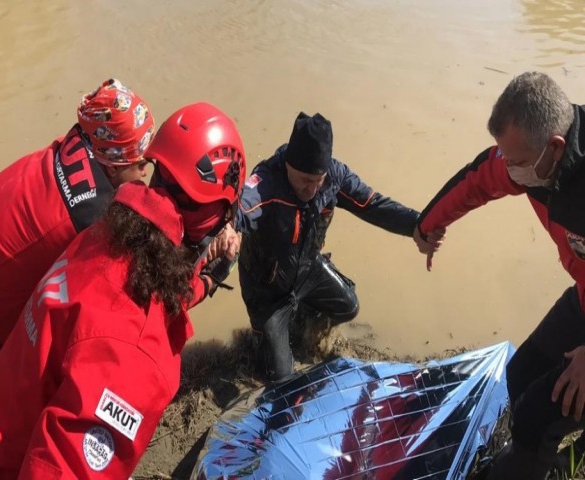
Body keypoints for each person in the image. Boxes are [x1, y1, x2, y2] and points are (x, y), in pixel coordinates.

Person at [0, 102, 246, 478]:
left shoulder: (101, 235)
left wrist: (205, 278)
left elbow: (144, 286)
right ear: (214, 215)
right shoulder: (136, 351)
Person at [415, 71, 585, 479]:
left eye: (518, 162)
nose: (510, 170)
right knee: (521, 374)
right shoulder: (533, 161)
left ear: (556, 148)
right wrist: (427, 226)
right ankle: (542, 462)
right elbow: (477, 181)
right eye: (505, 157)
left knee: (535, 417)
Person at [0, 78, 155, 394]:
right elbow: (145, 285)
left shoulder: (75, 142)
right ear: (111, 167)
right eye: (140, 163)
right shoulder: (90, 219)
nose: (144, 172)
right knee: (16, 425)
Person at [235, 111, 434, 381]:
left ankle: (300, 318)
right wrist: (227, 229)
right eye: (305, 180)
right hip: (267, 290)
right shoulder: (266, 182)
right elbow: (238, 209)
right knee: (280, 377)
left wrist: (418, 225)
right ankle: (265, 338)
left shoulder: (335, 177)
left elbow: (373, 205)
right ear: (289, 165)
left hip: (307, 269)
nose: (313, 189)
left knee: (348, 306)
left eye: (319, 180)